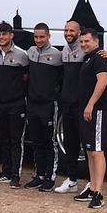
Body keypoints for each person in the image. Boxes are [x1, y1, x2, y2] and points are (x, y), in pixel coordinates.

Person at [0, 21, 29, 188]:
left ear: (11, 35)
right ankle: (5, 172)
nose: (1, 37)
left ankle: (15, 175)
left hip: (16, 103)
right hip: (0, 103)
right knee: (3, 139)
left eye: (5, 34)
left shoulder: (21, 54)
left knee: (16, 140)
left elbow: (27, 77)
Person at [77, 29, 107, 209]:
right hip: (87, 111)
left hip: (98, 111)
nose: (84, 44)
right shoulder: (88, 58)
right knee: (90, 151)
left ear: (96, 41)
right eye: (81, 41)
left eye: (87, 41)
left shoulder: (100, 59)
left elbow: (102, 82)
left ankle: (99, 192)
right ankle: (91, 187)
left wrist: (91, 104)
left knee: (98, 152)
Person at [25, 22, 63, 190]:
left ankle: (50, 177)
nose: (39, 40)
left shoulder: (57, 55)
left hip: (48, 104)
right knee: (36, 141)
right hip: (32, 104)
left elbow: (64, 77)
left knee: (50, 142)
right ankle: (39, 175)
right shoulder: (30, 52)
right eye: (36, 37)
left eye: (42, 37)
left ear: (49, 36)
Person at [54, 20, 85, 194]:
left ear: (79, 32)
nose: (68, 33)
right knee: (70, 143)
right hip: (67, 103)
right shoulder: (64, 50)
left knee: (87, 146)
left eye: (71, 30)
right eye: (65, 30)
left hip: (81, 104)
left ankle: (91, 182)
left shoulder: (85, 50)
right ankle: (72, 180)